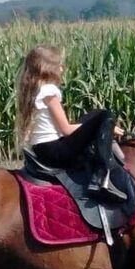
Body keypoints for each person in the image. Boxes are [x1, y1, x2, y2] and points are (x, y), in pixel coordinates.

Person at [16, 44, 127, 203]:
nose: (63, 68)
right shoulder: (49, 92)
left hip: (43, 149)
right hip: (53, 150)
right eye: (59, 65)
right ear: (49, 68)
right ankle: (101, 177)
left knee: (95, 115)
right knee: (105, 115)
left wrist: (96, 125)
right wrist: (102, 125)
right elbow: (66, 129)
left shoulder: (35, 90)